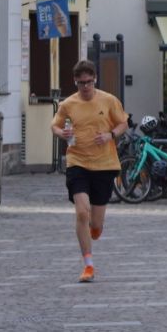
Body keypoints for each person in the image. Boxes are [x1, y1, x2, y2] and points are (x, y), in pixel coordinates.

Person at [52, 59, 127, 284]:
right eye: (80, 83)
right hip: (77, 162)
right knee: (81, 213)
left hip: (104, 164)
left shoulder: (109, 100)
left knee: (96, 223)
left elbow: (123, 124)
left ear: (94, 80)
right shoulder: (68, 104)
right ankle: (88, 264)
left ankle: (95, 229)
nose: (85, 87)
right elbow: (55, 124)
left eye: (89, 82)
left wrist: (110, 135)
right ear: (75, 82)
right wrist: (60, 133)